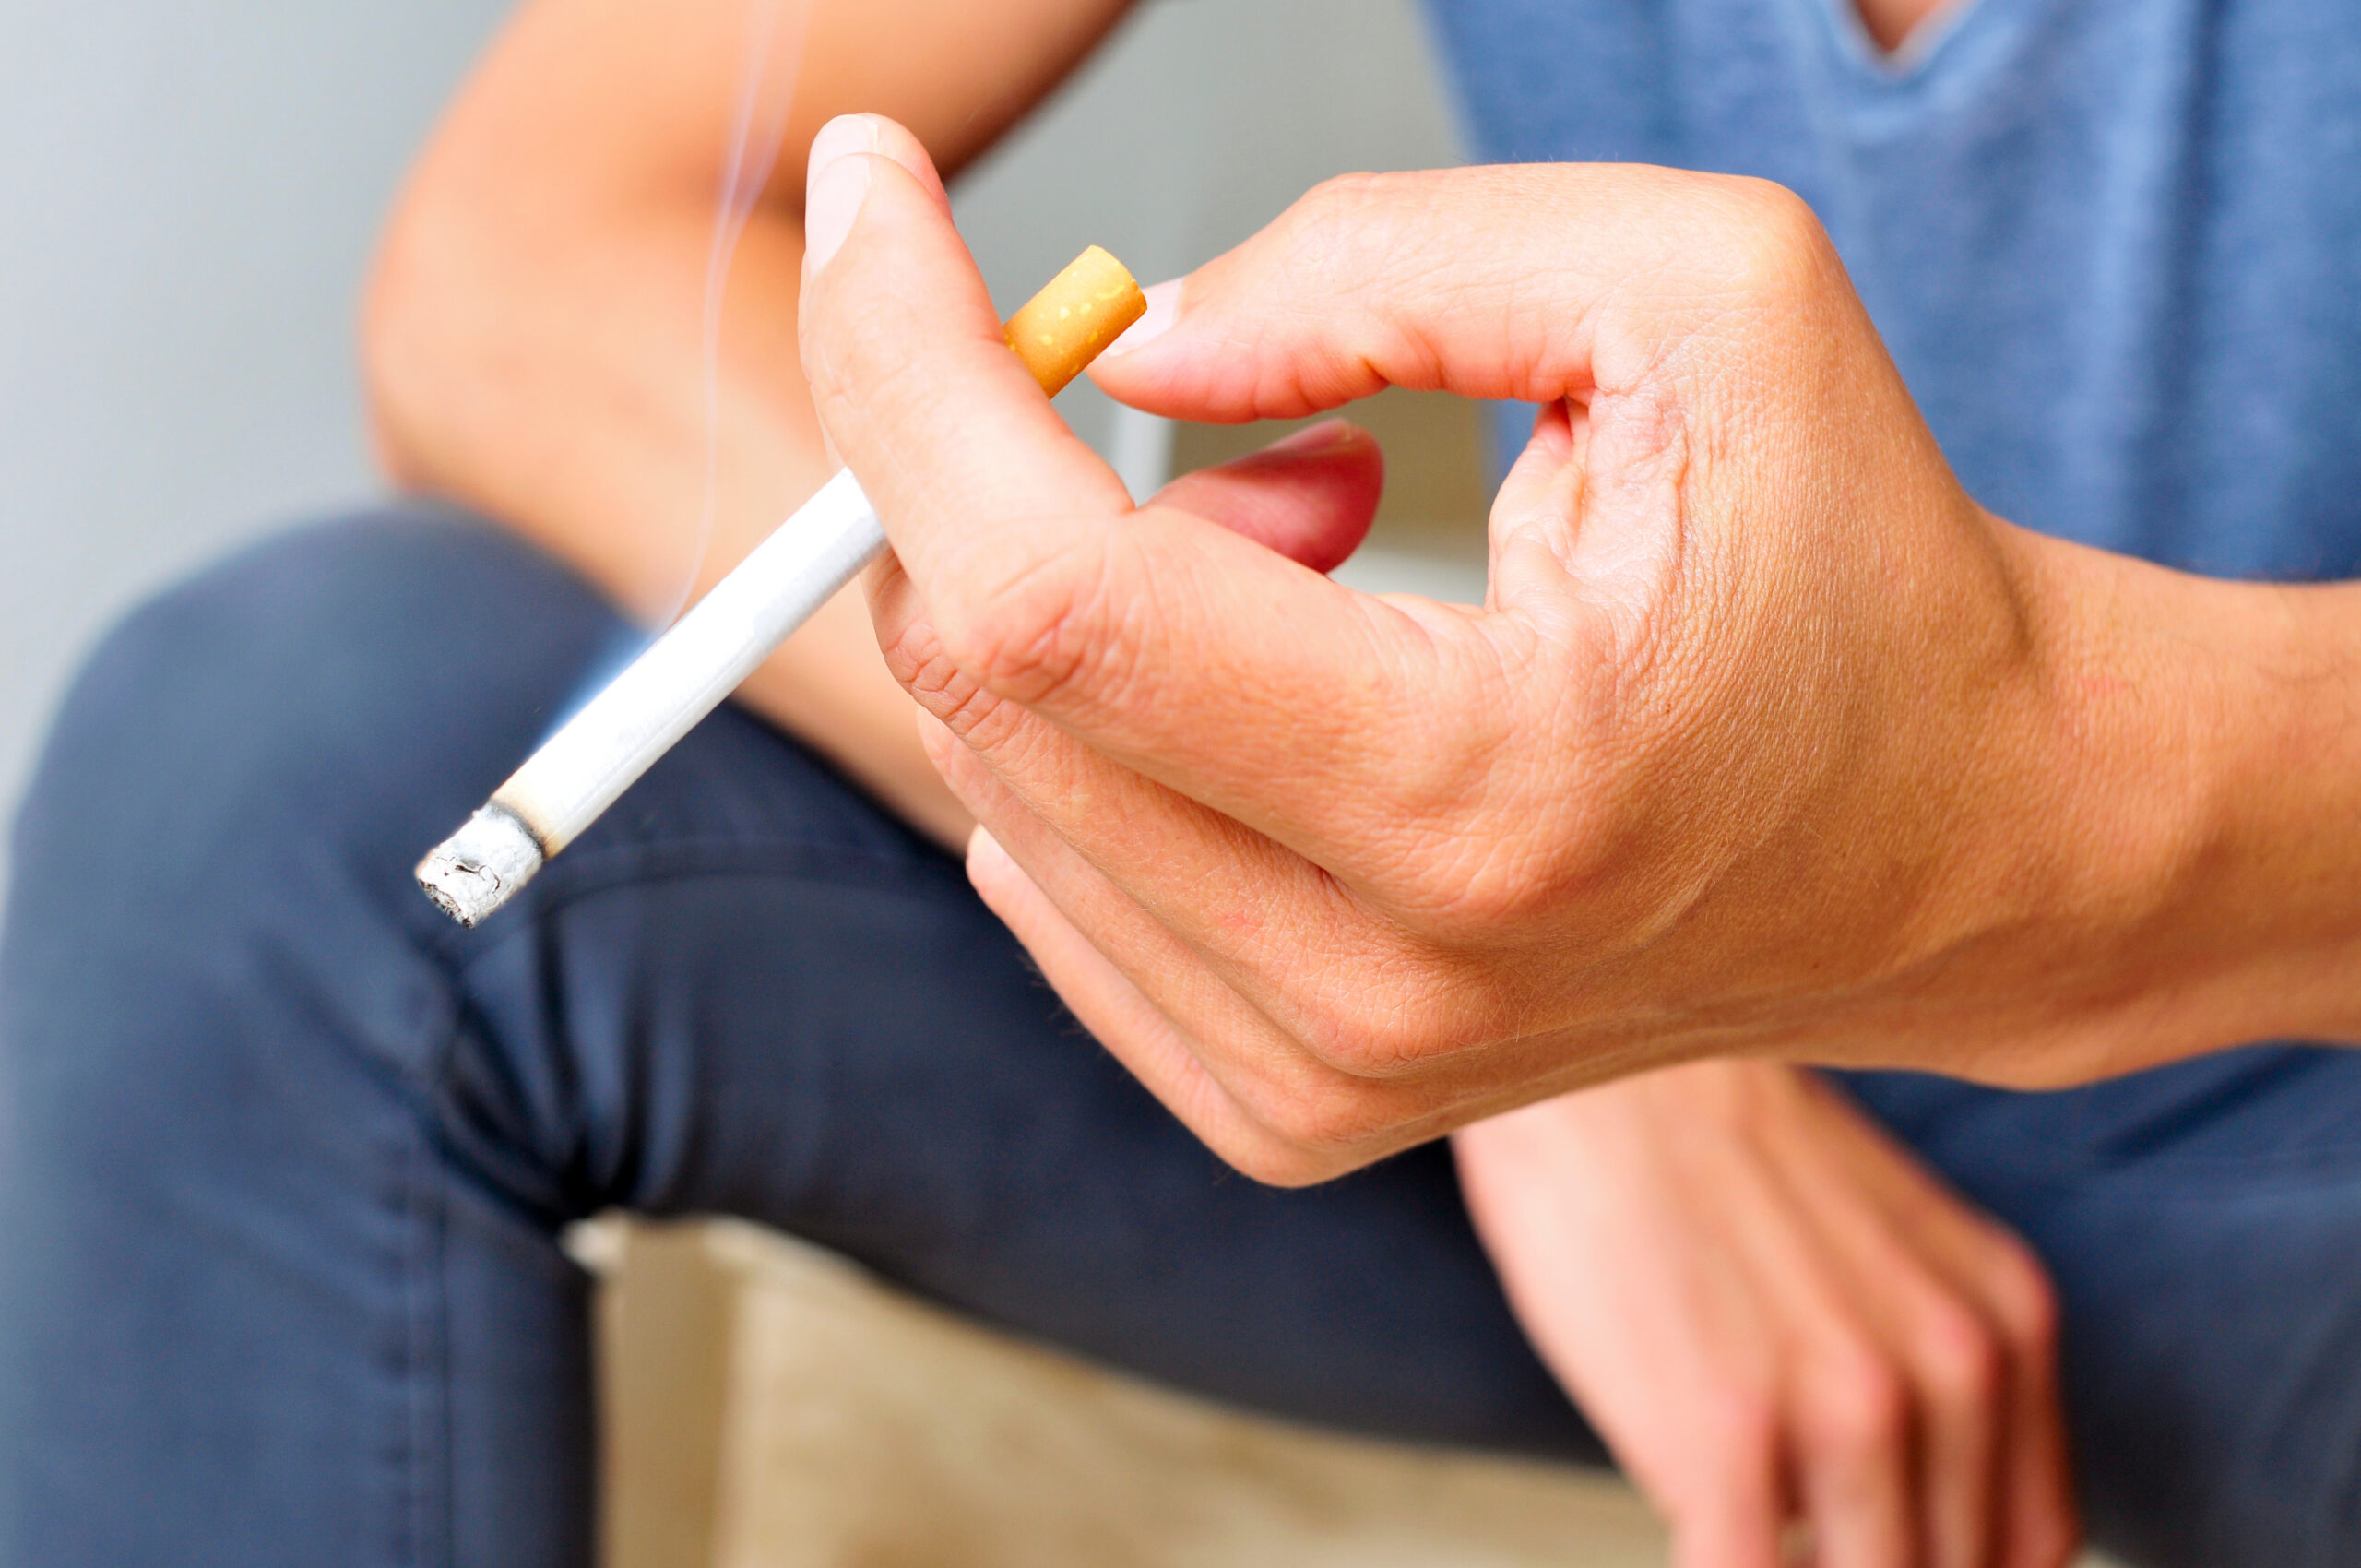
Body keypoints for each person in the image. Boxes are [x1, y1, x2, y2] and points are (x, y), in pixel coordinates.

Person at [2, 0, 2355, 1563]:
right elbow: (513, 262)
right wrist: (1546, 1005)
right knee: (284, 771)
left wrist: (2003, 831)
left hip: (2293, 1073)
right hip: (1632, 995)